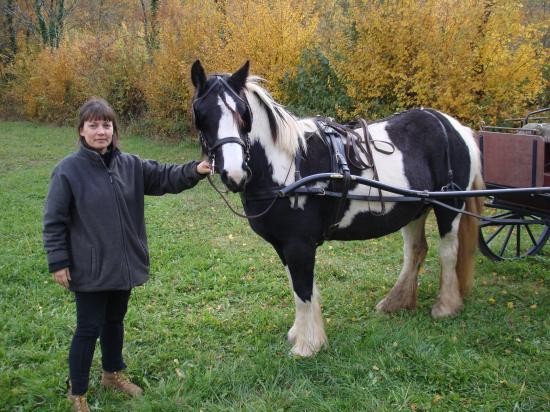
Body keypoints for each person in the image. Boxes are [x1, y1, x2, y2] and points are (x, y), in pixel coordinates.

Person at [42, 97, 211, 411]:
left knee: (115, 322)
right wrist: (58, 261)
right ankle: (76, 391)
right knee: (88, 328)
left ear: (114, 130)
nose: (101, 131)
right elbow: (54, 221)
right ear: (81, 130)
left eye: (106, 125)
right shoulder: (67, 171)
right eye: (93, 125)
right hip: (91, 269)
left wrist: (197, 169)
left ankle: (112, 374)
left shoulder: (130, 165)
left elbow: (165, 177)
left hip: (123, 265)